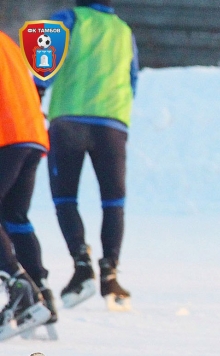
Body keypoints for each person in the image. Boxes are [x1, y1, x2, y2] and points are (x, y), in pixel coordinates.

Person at [37, 1, 138, 311]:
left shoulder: (68, 19)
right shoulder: (124, 31)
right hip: (112, 124)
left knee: (65, 199)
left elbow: (44, 63)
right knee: (113, 201)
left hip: (69, 120)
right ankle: (110, 273)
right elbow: (133, 79)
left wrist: (38, 91)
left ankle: (82, 267)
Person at [0, 30, 54, 341]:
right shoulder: (7, 40)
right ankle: (41, 293)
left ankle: (19, 287)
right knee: (15, 216)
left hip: (7, 137)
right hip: (32, 135)